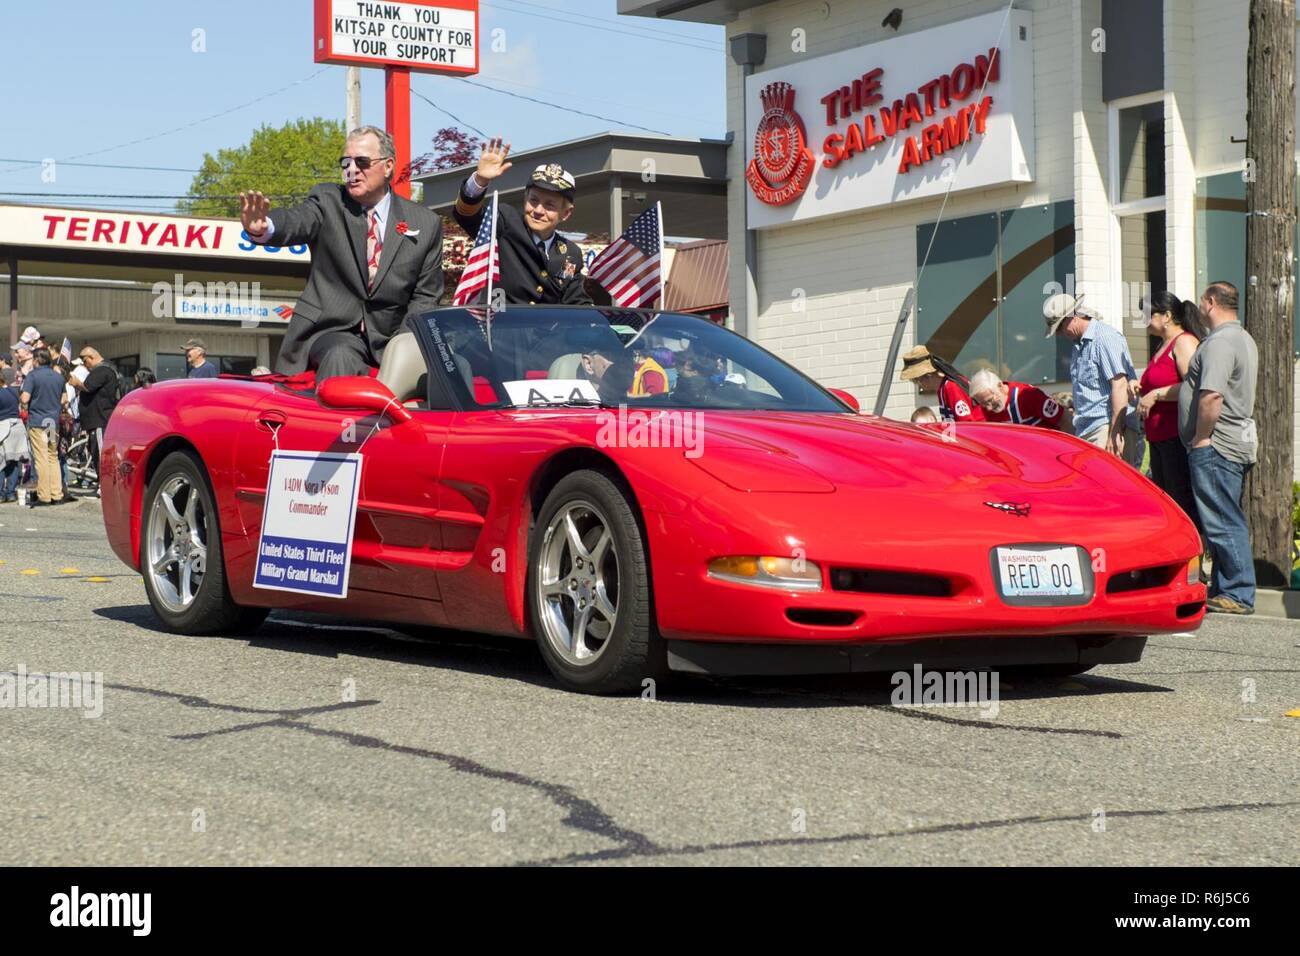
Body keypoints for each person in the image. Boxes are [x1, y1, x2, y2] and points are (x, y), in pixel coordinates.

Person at [240, 125, 445, 380]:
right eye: (345, 162)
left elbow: (425, 297)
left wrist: (402, 347)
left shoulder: (424, 223)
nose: (352, 170)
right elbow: (299, 220)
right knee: (341, 356)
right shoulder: (328, 200)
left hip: (390, 339)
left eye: (362, 162)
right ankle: (333, 422)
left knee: (453, 367)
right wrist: (266, 227)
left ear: (388, 166)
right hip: (329, 332)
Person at [1180, 281, 1258, 615]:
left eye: (1202, 302)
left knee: (1223, 518)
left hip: (1217, 442)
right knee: (1223, 515)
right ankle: (1227, 587)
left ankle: (1238, 592)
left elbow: (1212, 394)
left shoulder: (1221, 343)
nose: (1200, 308)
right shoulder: (1242, 339)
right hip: (1229, 440)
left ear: (1210, 302)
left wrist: (1201, 436)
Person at [452, 137, 592, 306]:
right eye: (533, 200)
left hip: (547, 332)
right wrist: (480, 181)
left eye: (549, 205)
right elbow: (467, 216)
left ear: (566, 213)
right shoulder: (505, 221)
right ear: (525, 199)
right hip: (499, 327)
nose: (538, 210)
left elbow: (576, 302)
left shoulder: (571, 253)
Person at [1044, 292, 1143, 467]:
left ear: (1072, 317)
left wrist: (1115, 432)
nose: (1059, 334)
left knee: (1111, 486)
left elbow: (1119, 386)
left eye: (1059, 327)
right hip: (1088, 428)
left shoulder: (1104, 338)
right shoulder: (1079, 344)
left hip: (1105, 427)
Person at [1133, 291, 1204, 528]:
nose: (1144, 320)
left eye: (1148, 314)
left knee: (1182, 502)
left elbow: (1193, 386)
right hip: (1159, 439)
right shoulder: (1161, 346)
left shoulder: (1183, 342)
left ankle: (1196, 559)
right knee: (1168, 502)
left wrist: (1156, 394)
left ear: (1167, 316)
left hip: (1176, 438)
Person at [18, 347, 68, 507]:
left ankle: (44, 496)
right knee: (52, 456)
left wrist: (22, 399)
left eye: (33, 359)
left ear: (37, 360)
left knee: (41, 458)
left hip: (38, 421)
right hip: (52, 422)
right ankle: (57, 494)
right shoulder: (58, 377)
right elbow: (64, 400)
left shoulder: (32, 376)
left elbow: (25, 398)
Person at [71, 347, 121, 491]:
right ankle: (103, 483)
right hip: (97, 420)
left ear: (91, 357)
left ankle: (105, 486)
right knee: (96, 451)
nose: (84, 364)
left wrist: (75, 382)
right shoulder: (104, 369)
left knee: (101, 453)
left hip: (100, 419)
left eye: (84, 360)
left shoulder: (102, 370)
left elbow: (88, 387)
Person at [898, 344, 985, 422]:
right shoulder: (943, 388)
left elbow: (967, 422)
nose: (919, 383)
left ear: (927, 375)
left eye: (917, 379)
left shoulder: (951, 387)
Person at [969, 368, 1072, 431]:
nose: (988, 408)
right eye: (983, 404)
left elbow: (1065, 419)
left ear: (1000, 386)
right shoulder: (984, 407)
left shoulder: (1027, 396)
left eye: (990, 401)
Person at [0, 381, 27, 503]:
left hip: (4, 427)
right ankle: (10, 493)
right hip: (17, 426)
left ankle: (0, 495)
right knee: (14, 461)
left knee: (1, 462)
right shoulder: (13, 391)